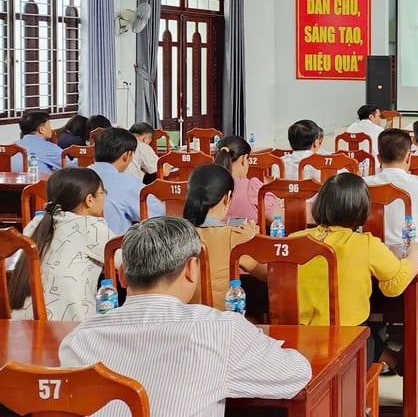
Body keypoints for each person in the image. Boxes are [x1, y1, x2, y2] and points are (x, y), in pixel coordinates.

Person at [59, 217, 311, 415]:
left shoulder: (79, 340)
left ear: (122, 276)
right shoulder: (218, 330)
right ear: (192, 269)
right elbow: (296, 373)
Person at [292, 173, 418, 365]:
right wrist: (415, 253)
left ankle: (392, 360)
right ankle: (393, 360)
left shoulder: (296, 238)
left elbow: (270, 274)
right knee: (371, 334)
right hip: (345, 343)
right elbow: (395, 285)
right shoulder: (366, 244)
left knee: (372, 333)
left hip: (297, 339)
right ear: (362, 209)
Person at [7, 168, 113, 321]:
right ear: (89, 199)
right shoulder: (90, 226)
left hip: (22, 326)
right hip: (68, 328)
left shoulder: (37, 222)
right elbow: (124, 258)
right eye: (103, 193)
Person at [181, 164, 266, 308]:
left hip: (179, 323)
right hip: (221, 323)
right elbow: (267, 274)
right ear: (227, 198)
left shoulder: (172, 234)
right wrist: (255, 240)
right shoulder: (235, 237)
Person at [364, 129, 418, 247]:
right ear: (409, 156)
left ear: (379, 158)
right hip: (410, 258)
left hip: (371, 256)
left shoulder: (362, 185)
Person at [90, 128, 164, 235]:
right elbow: (158, 214)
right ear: (126, 156)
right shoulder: (128, 184)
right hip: (113, 248)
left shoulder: (77, 176)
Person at [214, 135, 277, 223]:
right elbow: (280, 220)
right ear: (243, 159)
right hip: (247, 236)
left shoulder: (202, 185)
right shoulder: (253, 188)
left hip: (213, 236)